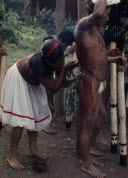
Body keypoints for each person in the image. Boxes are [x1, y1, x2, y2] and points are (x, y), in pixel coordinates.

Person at [74, 0, 126, 178]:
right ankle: (86, 163)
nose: (106, 17)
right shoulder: (84, 25)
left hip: (97, 82)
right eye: (105, 14)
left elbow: (95, 56)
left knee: (101, 116)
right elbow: (97, 13)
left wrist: (111, 58)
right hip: (89, 82)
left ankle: (87, 150)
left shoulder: (97, 31)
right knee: (86, 122)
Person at [0, 41, 76, 170]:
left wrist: (72, 78)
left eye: (63, 58)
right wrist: (64, 71)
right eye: (61, 60)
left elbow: (61, 83)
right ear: (51, 61)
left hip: (32, 82)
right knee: (20, 121)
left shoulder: (52, 60)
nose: (63, 62)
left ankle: (32, 149)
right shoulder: (39, 65)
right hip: (19, 80)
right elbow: (53, 88)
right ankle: (12, 156)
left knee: (35, 114)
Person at [41, 30, 76, 134]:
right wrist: (69, 52)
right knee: (45, 99)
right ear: (60, 40)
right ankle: (45, 125)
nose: (65, 48)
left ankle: (47, 122)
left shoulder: (57, 46)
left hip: (48, 74)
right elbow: (51, 58)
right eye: (65, 45)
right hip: (42, 74)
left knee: (49, 98)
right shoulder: (49, 43)